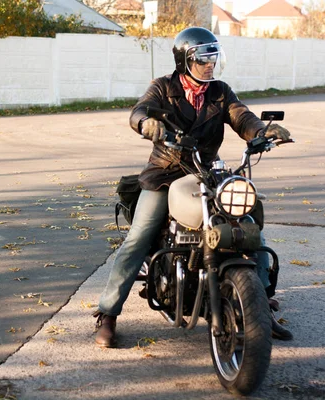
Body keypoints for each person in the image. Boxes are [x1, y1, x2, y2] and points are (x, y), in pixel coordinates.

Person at [93, 27, 293, 348]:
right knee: (139, 238)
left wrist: (262, 131)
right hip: (165, 174)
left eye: (213, 57)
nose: (209, 64)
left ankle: (258, 303)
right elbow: (139, 111)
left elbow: (241, 116)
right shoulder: (163, 87)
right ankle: (108, 313)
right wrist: (147, 124)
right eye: (203, 58)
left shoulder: (219, 91)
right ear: (185, 60)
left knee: (247, 224)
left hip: (207, 172)